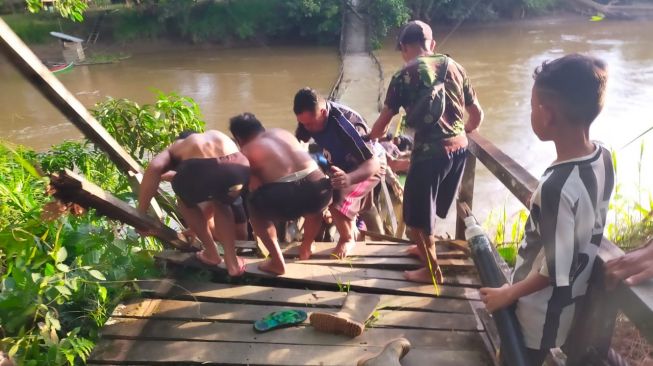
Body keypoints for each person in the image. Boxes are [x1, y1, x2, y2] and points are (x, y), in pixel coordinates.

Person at [479, 54, 613, 366]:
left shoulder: (556, 188)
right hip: (568, 304)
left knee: (515, 359)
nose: (530, 112)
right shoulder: (602, 156)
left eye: (531, 106)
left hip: (536, 313)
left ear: (546, 114)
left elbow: (556, 269)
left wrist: (508, 294)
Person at [369, 20, 483, 283]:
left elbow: (383, 122)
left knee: (416, 215)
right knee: (428, 208)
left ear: (404, 48)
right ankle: (423, 250)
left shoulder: (403, 76)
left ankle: (432, 273)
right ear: (432, 45)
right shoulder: (454, 66)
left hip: (430, 154)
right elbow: (477, 114)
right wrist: (463, 131)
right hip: (459, 151)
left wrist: (371, 137)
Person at [229, 113, 332, 275]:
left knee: (253, 202)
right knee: (315, 203)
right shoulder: (282, 132)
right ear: (261, 126)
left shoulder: (246, 151)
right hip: (320, 190)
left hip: (286, 195)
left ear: (238, 139)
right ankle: (306, 246)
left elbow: (255, 186)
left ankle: (277, 262)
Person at [137, 130, 249, 277]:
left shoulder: (178, 145)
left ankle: (211, 253)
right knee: (222, 204)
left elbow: (155, 167)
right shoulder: (212, 137)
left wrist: (141, 214)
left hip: (203, 168)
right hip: (239, 165)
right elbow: (215, 169)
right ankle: (232, 262)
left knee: (185, 201)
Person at [294, 87, 383, 259]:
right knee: (318, 196)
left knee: (335, 201)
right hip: (339, 163)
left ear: (323, 112)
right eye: (303, 123)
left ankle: (348, 238)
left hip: (368, 165)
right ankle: (313, 239)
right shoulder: (308, 119)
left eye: (310, 123)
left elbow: (372, 163)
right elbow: (300, 140)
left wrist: (349, 178)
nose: (308, 128)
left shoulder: (346, 124)